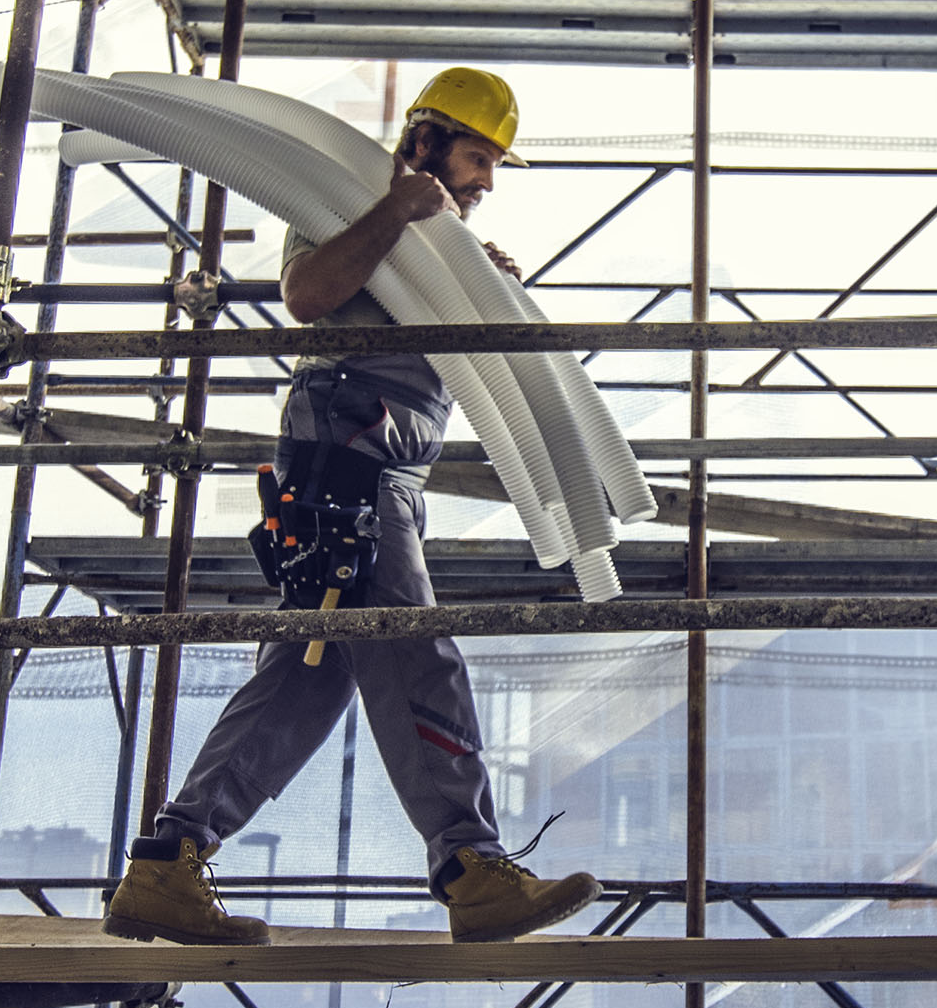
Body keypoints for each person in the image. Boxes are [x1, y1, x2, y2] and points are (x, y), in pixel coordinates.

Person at [104, 67, 605, 948]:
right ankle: (469, 866)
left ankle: (167, 862)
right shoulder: (346, 196)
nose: (487, 180)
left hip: (379, 466)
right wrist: (398, 219)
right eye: (478, 155)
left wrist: (469, 281)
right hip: (351, 452)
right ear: (425, 139)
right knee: (414, 652)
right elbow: (306, 298)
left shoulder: (427, 236)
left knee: (309, 673)